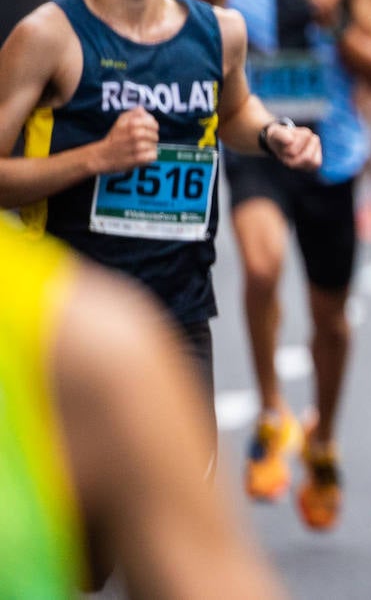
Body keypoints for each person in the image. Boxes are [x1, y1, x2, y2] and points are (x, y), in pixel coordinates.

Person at [0, 0, 322, 420]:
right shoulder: (47, 37)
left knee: (175, 505)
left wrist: (275, 134)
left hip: (181, 317)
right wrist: (98, 158)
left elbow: (233, 114)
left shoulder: (219, 32)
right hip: (74, 325)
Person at [189, 0, 371, 530]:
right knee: (262, 265)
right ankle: (273, 411)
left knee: (331, 317)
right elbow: (193, 46)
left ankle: (325, 437)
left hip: (332, 154)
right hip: (257, 148)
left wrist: (337, 25)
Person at [0, 214, 286, 599]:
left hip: (175, 307)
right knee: (93, 572)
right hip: (101, 291)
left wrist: (270, 147)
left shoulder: (84, 342)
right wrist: (96, 160)